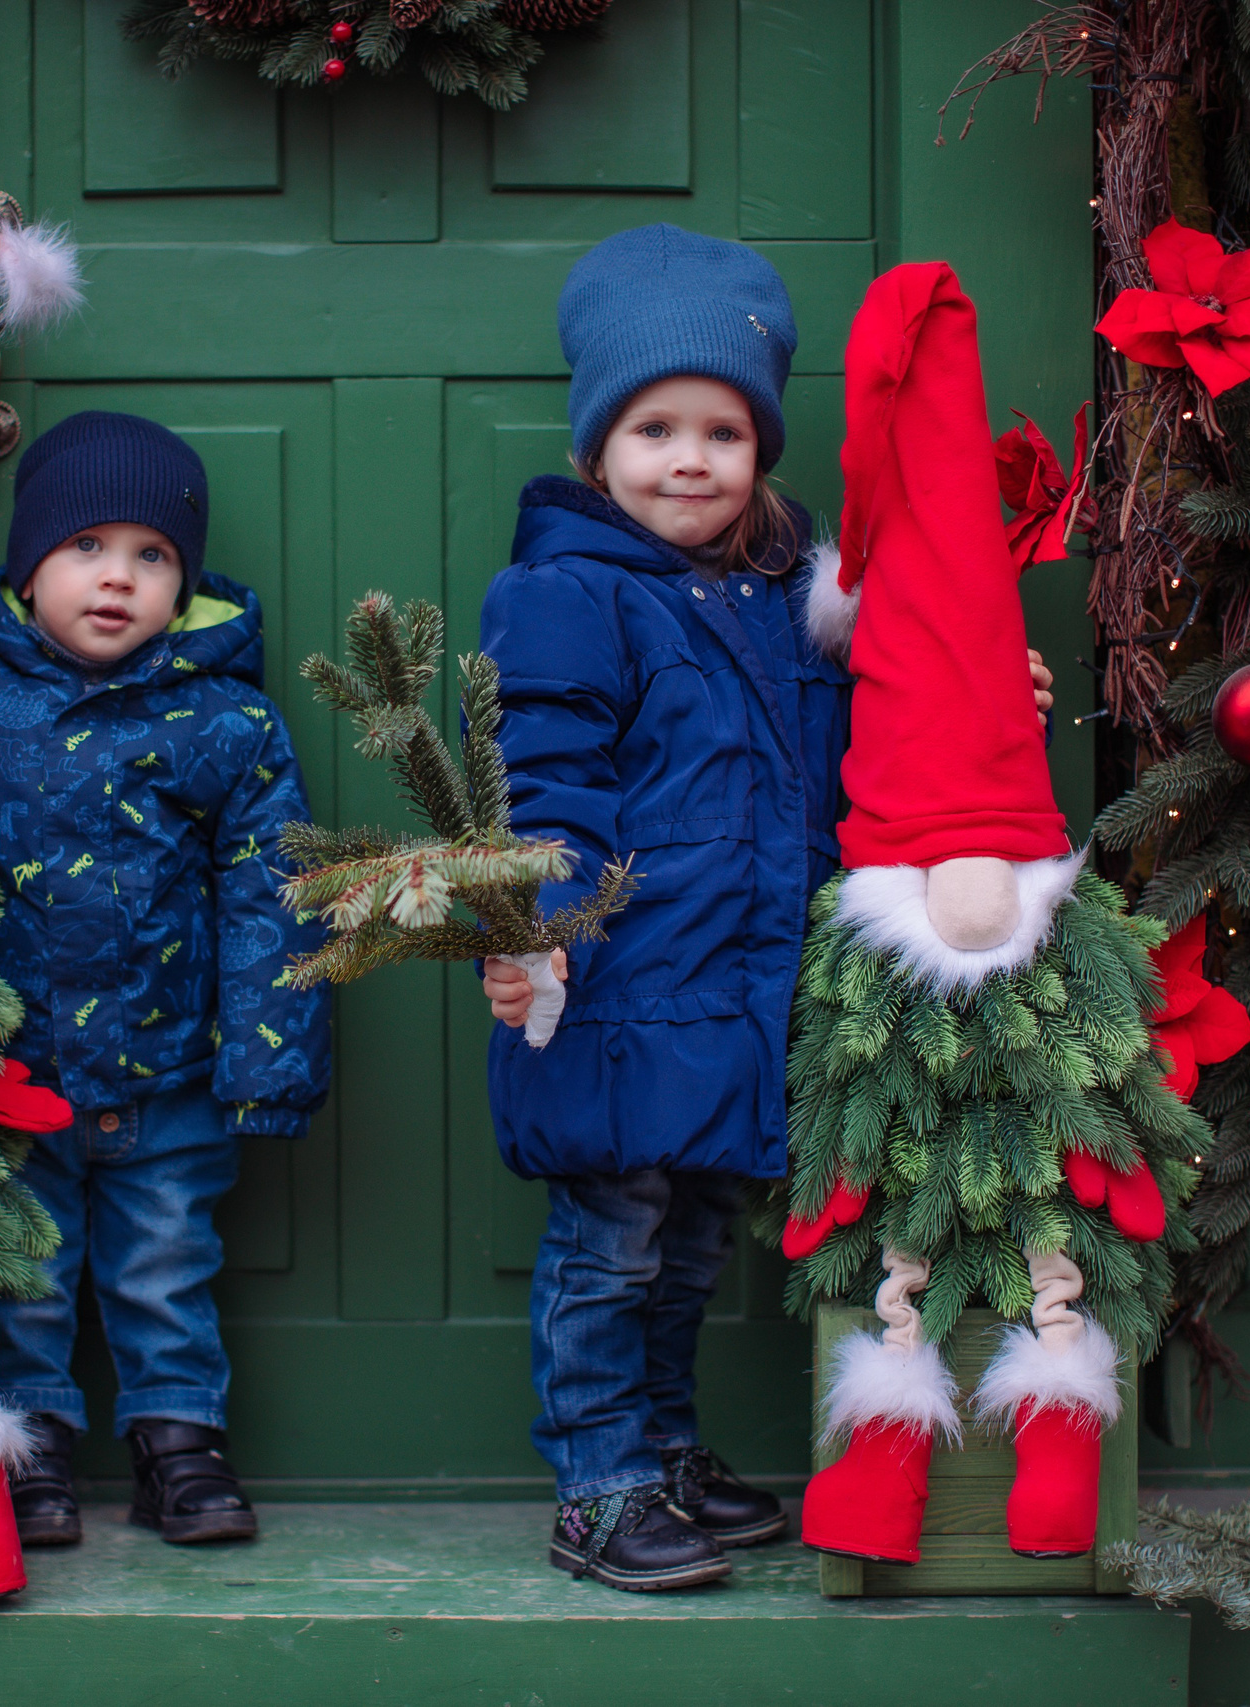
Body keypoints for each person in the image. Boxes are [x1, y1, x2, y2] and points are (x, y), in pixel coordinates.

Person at [473, 225, 1053, 1592]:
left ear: (762, 449)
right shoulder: (562, 593)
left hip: (741, 989)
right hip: (613, 987)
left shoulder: (803, 603)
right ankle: (598, 1480)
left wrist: (982, 697)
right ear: (597, 446)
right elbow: (541, 778)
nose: (690, 458)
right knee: (609, 1246)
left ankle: (666, 1448)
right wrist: (533, 933)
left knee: (686, 1248)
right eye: (655, 426)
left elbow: (880, 721)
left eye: (723, 431)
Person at [0, 410, 332, 1547]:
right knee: (24, 1268)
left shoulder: (224, 719)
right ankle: (31, 1441)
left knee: (164, 1266)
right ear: (28, 561)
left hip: (170, 1065)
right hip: (5, 1070)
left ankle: (177, 1443)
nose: (118, 579)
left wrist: (268, 1056)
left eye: (152, 556)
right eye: (86, 546)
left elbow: (269, 889)